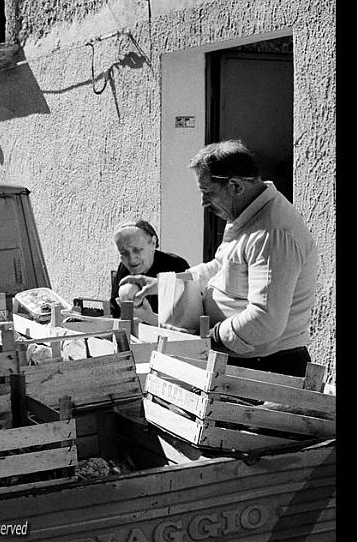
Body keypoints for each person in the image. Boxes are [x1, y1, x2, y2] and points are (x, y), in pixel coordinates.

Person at [121, 140, 318, 377]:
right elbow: (221, 267)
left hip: (268, 368)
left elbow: (265, 320)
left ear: (235, 186)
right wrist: (163, 283)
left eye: (208, 193)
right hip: (246, 362)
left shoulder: (271, 233)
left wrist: (210, 337)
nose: (203, 203)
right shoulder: (246, 216)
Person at [110, 220, 189, 323]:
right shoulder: (123, 269)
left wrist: (148, 317)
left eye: (137, 250)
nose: (131, 259)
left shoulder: (176, 267)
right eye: (124, 253)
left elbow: (186, 323)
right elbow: (115, 312)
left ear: (153, 243)